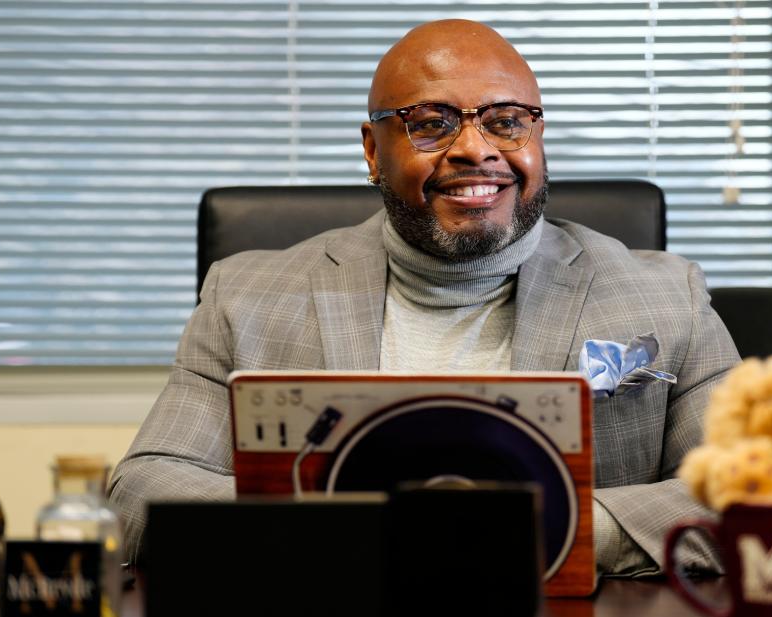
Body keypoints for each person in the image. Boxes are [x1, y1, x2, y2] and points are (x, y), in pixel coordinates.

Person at [108, 19, 739, 575]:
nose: (475, 149)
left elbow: (750, 496)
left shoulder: (667, 296)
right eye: (431, 124)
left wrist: (550, 534)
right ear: (372, 151)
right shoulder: (244, 298)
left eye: (506, 122)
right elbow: (142, 491)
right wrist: (347, 533)